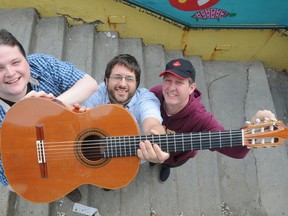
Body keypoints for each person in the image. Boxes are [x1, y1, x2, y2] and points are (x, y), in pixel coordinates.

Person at [137, 58, 276, 182]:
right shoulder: (155, 93)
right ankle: (153, 162)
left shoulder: (201, 118)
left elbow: (234, 150)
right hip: (149, 144)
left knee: (169, 162)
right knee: (151, 154)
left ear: (192, 88)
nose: (171, 88)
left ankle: (166, 166)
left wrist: (252, 130)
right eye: (168, 80)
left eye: (179, 82)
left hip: (176, 156)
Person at [0, 28, 98, 202]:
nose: (10, 73)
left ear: (26, 60)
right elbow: (11, 182)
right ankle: (67, 188)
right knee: (62, 183)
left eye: (16, 62)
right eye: (0, 68)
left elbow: (89, 84)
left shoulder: (40, 63)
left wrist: (49, 107)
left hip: (73, 137)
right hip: (46, 168)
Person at [83, 54, 165, 136]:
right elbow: (81, 119)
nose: (122, 84)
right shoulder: (96, 91)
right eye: (117, 77)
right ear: (107, 81)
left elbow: (152, 122)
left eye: (129, 79)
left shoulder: (145, 98)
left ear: (137, 84)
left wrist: (155, 132)